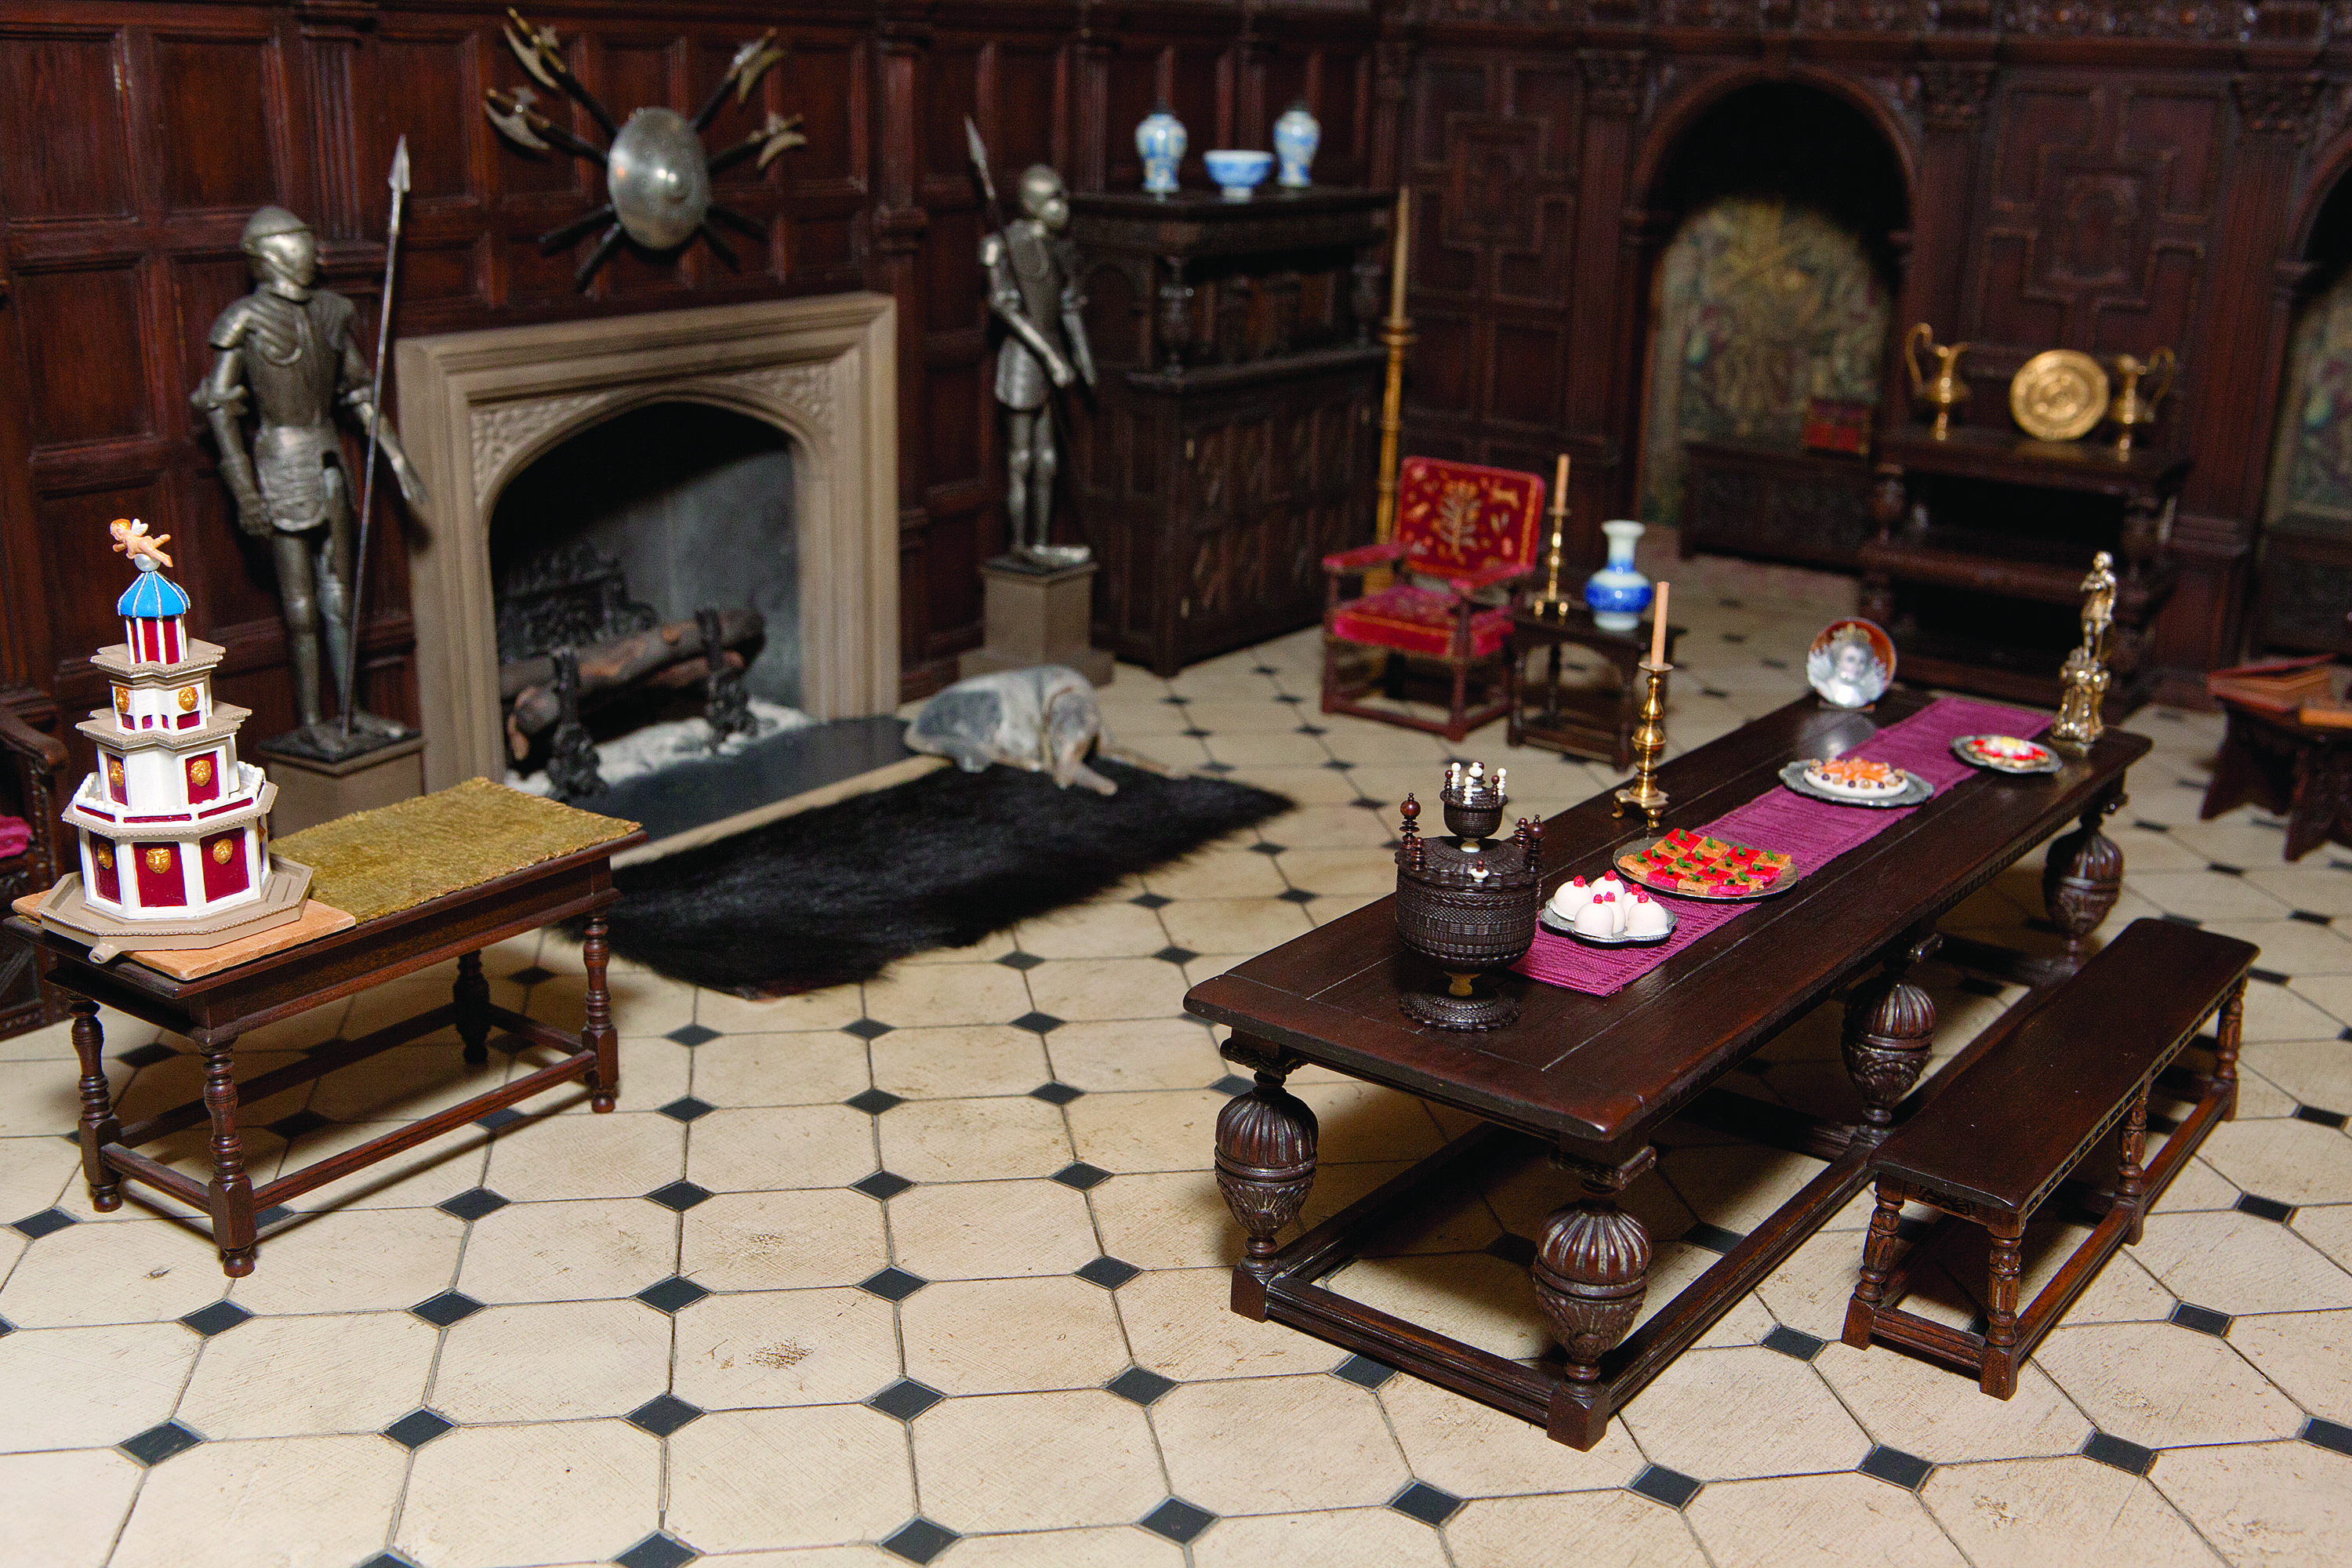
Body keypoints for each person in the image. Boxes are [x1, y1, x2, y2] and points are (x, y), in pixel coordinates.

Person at [191, 205, 429, 754]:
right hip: (278, 460)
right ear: (270, 254)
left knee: (342, 598)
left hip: (327, 462)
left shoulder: (331, 311)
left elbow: (357, 393)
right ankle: (312, 717)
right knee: (299, 608)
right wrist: (246, 493)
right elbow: (220, 409)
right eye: (300, 241)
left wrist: (396, 457)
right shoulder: (243, 320)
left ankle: (351, 708)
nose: (312, 251)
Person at [982, 165, 1095, 565]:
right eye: (1054, 199)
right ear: (1031, 206)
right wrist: (1049, 356)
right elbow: (1005, 309)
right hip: (1024, 361)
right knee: (1022, 459)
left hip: (1053, 361)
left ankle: (1042, 542)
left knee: (1048, 461)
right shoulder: (1001, 246)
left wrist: (1083, 362)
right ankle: (1020, 544)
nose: (1064, 207)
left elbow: (1066, 308)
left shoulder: (1059, 250)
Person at [1809, 624, 1889, 709]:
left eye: (1862, 661)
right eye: (1850, 660)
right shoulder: (1824, 688)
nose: (1857, 666)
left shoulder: (1863, 696)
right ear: (1838, 661)